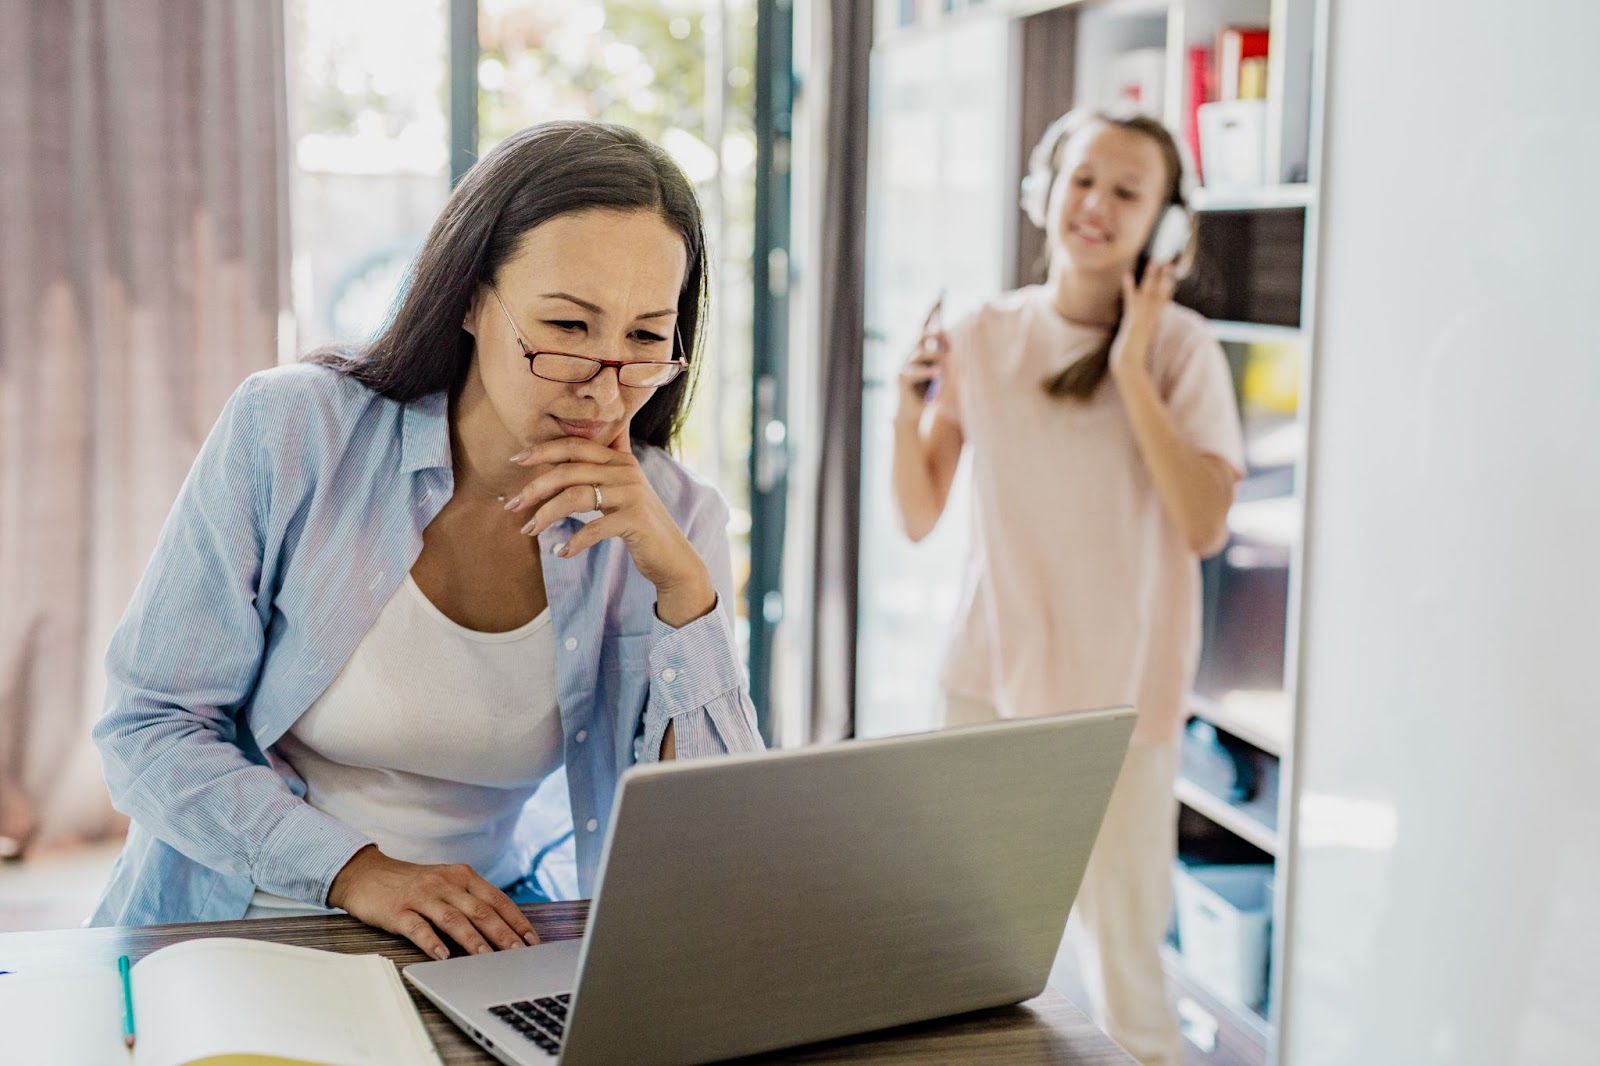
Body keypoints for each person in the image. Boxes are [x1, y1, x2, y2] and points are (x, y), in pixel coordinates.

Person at [90, 121, 763, 961]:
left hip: (475, 938)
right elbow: (147, 728)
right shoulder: (296, 431)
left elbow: (709, 849)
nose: (605, 386)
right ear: (473, 299)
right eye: (567, 327)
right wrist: (357, 871)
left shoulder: (670, 521)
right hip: (237, 920)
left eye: (643, 338)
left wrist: (684, 591)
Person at [890, 107, 1244, 1066]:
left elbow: (1205, 522)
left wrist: (1131, 365)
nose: (1097, 205)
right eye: (1084, 179)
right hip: (986, 677)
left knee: (1127, 968)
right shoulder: (980, 334)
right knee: (967, 955)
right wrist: (900, 405)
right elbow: (920, 512)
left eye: (1128, 192)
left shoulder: (1183, 352)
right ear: (1045, 188)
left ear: (1165, 227)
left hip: (1122, 704)